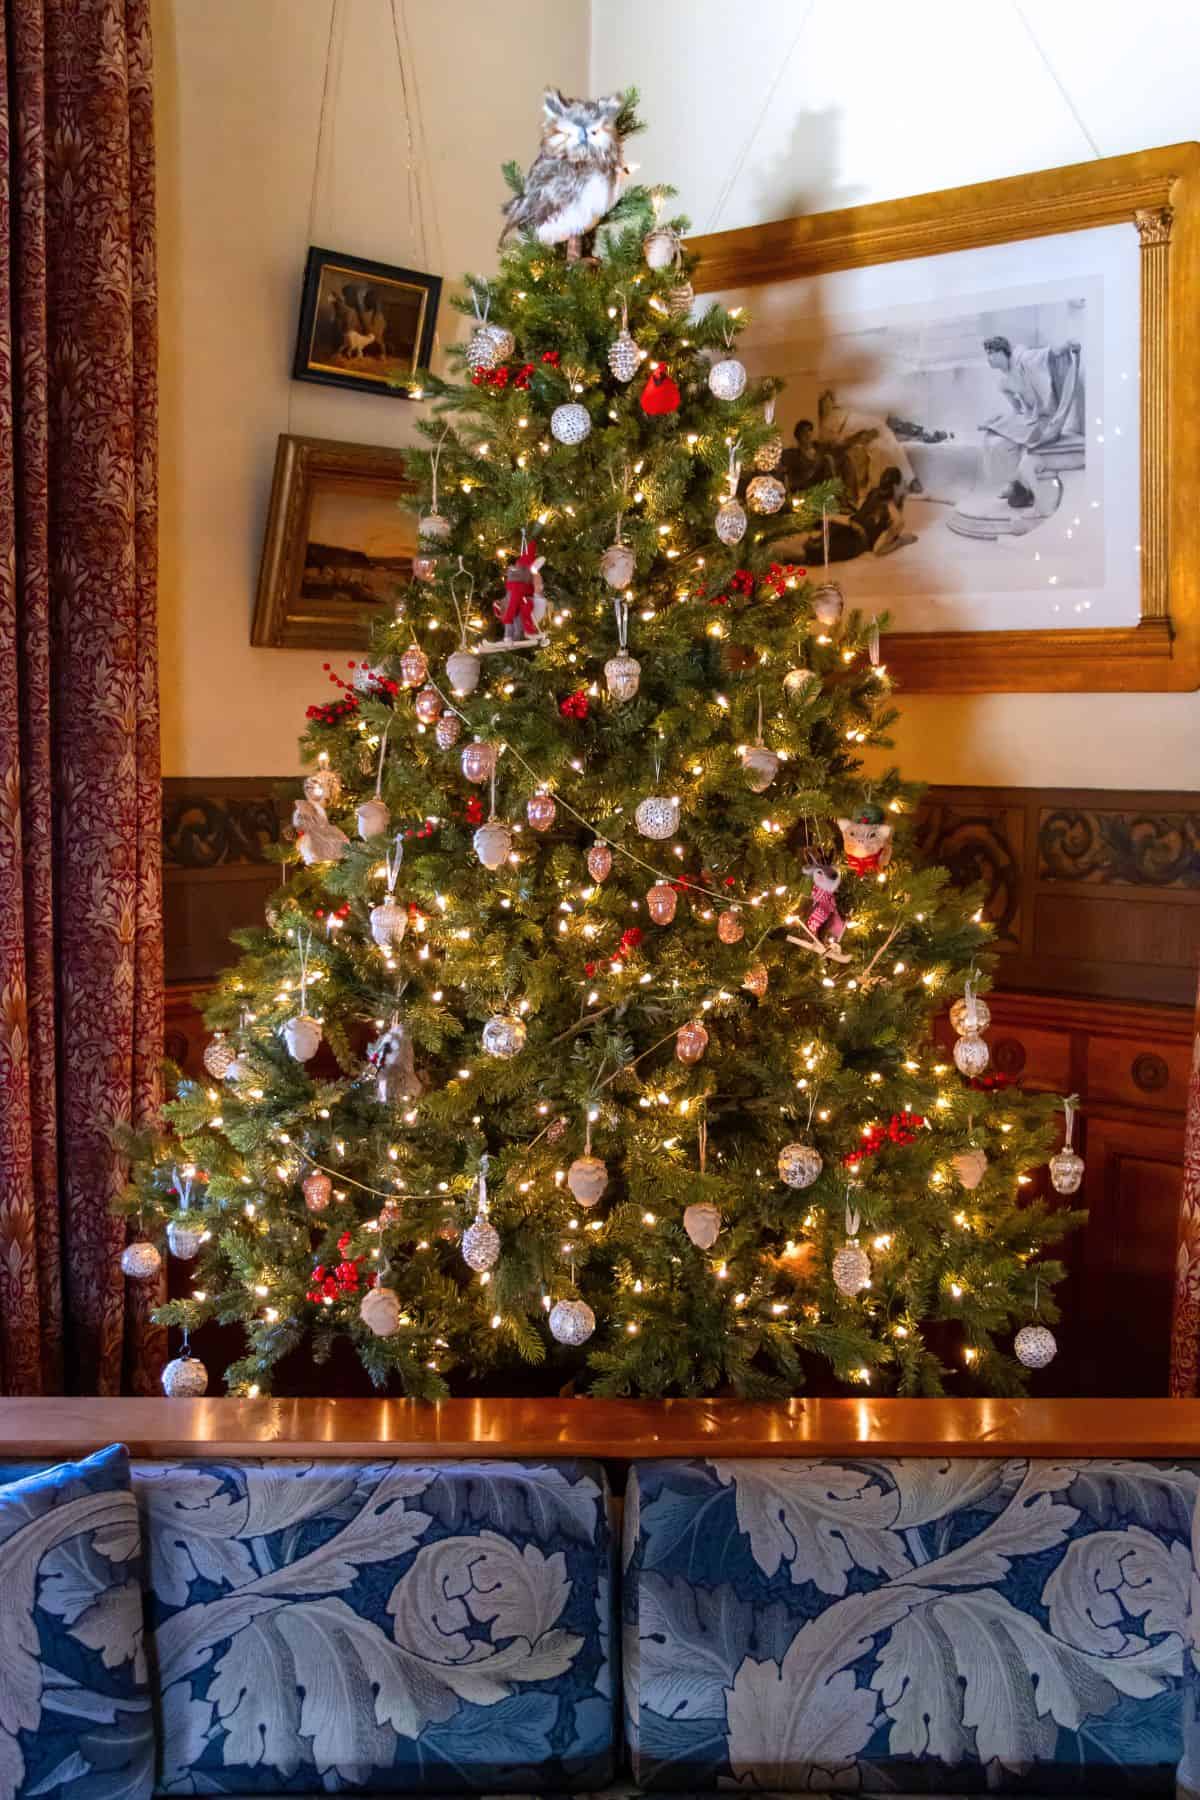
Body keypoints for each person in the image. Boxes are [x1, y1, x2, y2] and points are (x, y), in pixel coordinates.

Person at [979, 334, 1084, 507]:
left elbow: (1050, 354)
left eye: (991, 353)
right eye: (987, 354)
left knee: (1001, 434)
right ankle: (1013, 482)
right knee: (993, 437)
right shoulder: (1004, 383)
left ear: (1002, 351)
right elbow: (1017, 411)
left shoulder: (1025, 359)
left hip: (1048, 419)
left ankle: (1021, 487)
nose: (989, 358)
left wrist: (1067, 345)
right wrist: (1000, 422)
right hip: (1032, 418)